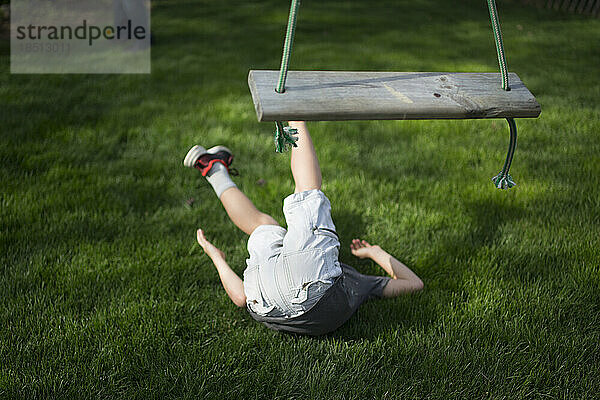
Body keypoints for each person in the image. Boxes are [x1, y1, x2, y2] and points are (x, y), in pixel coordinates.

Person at [183, 121, 423, 336]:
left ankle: (295, 117)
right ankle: (214, 170)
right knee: (262, 225)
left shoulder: (357, 282)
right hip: (264, 301)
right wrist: (218, 258)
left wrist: (375, 251)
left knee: (308, 192)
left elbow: (415, 285)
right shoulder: (362, 284)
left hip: (314, 287)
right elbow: (240, 297)